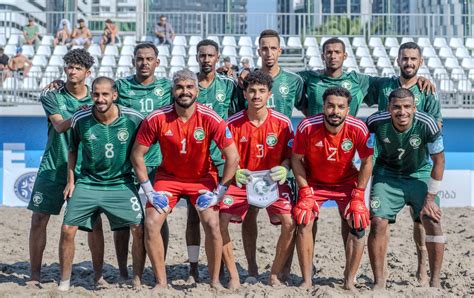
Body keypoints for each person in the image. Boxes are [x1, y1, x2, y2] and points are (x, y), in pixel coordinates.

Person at [130, 69, 239, 290]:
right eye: (180, 87)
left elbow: (233, 157)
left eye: (189, 87)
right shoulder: (158, 117)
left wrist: (219, 192)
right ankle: (161, 282)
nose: (185, 91)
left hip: (202, 180)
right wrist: (149, 191)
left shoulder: (210, 117)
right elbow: (136, 155)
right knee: (151, 223)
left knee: (212, 223)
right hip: (168, 179)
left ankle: (215, 280)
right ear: (173, 90)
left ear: (197, 91)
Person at [364, 41, 443, 284]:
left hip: (417, 166)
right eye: (404, 58)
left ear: (420, 62)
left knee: (423, 219)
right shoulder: (383, 85)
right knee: (378, 222)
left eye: (413, 59)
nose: (408, 63)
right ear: (398, 60)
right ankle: (380, 278)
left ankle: (425, 269)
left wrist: (413, 138)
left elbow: (436, 129)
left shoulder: (427, 91)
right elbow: (350, 84)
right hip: (387, 170)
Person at [58, 77, 146, 291]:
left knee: (138, 227)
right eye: (96, 94)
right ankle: (64, 281)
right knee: (68, 229)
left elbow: (143, 149)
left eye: (105, 94)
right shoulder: (80, 118)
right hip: (89, 182)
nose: (100, 98)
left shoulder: (134, 118)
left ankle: (136, 278)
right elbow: (72, 150)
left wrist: (141, 179)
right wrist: (71, 181)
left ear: (114, 95)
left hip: (121, 183)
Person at [27, 49, 102, 286]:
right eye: (69, 66)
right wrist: (84, 113)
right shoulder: (52, 95)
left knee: (93, 224)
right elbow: (60, 127)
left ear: (87, 73)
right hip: (53, 165)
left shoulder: (98, 97)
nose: (72, 71)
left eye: (78, 68)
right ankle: (34, 276)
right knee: (39, 219)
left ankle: (99, 276)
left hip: (85, 168)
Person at [236, 29, 304, 283]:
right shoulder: (247, 80)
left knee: (291, 218)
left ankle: (283, 269)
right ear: (258, 51)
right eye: (264, 48)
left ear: (280, 51)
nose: (269, 52)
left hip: (279, 159)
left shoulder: (294, 81)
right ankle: (252, 268)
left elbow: (308, 109)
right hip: (252, 160)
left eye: (273, 48)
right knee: (250, 214)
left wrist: (289, 164)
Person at [291, 86, 374, 290]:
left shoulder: (359, 128)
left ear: (348, 109)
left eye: (340, 107)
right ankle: (307, 279)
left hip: (346, 182)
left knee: (358, 222)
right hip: (314, 182)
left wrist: (359, 194)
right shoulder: (307, 126)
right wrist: (304, 190)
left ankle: (349, 280)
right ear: (323, 107)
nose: (335, 111)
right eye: (330, 106)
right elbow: (295, 159)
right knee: (303, 220)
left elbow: (367, 162)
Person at [220, 70, 295, 289]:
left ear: (269, 94)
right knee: (221, 220)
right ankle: (240, 274)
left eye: (261, 91)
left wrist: (284, 168)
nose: (256, 96)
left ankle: (274, 273)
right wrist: (236, 172)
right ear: (244, 94)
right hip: (243, 181)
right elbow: (224, 156)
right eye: (251, 91)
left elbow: (291, 157)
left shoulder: (283, 123)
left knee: (290, 222)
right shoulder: (232, 124)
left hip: (272, 182)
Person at [113, 42, 172, 280]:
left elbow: (194, 89)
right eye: (140, 59)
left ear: (157, 62)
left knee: (158, 215)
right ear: (133, 61)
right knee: (123, 219)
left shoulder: (168, 87)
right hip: (126, 163)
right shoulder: (122, 86)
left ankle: (159, 265)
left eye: (149, 59)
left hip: (158, 162)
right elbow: (98, 97)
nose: (144, 63)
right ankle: (123, 270)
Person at [184, 39, 238, 282]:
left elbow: (237, 113)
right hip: (193, 161)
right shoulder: (188, 85)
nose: (206, 59)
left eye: (210, 55)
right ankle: (194, 266)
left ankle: (220, 267)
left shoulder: (228, 85)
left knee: (218, 216)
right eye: (202, 55)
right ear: (197, 57)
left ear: (217, 57)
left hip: (219, 160)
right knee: (193, 216)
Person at [297, 38, 434, 117]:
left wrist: (419, 79)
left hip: (346, 143)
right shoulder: (309, 78)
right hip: (315, 140)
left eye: (337, 52)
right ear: (322, 56)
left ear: (345, 56)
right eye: (329, 52)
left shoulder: (358, 80)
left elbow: (394, 82)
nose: (333, 56)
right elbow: (286, 80)